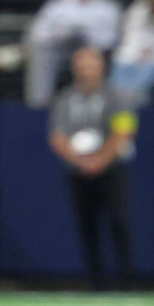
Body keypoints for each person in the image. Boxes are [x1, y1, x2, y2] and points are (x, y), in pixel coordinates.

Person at [48, 46, 137, 290]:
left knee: (118, 222)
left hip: (112, 170)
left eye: (91, 64)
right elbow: (57, 136)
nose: (86, 70)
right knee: (87, 226)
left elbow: (124, 132)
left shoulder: (117, 96)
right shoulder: (65, 98)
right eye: (82, 65)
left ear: (101, 67)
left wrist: (100, 160)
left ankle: (127, 281)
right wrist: (80, 161)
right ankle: (96, 282)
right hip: (78, 171)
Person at [26, 0, 122, 107]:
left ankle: (96, 104)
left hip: (93, 49)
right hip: (62, 50)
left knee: (89, 56)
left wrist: (86, 32)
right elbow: (37, 33)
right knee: (40, 52)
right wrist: (61, 32)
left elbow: (111, 39)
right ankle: (39, 105)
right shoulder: (57, 5)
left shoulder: (107, 7)